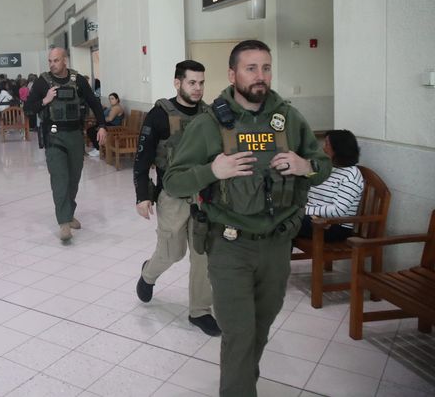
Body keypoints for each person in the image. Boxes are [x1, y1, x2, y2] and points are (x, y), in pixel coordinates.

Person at [165, 40, 331, 397]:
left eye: (266, 67)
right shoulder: (210, 124)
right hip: (229, 247)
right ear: (232, 74)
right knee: (240, 333)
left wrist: (306, 166)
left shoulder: (287, 118)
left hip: (276, 246)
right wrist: (212, 169)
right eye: (251, 68)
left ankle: (242, 381)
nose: (261, 76)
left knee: (260, 325)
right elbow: (173, 181)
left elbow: (323, 165)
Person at [132, 60, 220, 336]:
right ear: (177, 82)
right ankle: (148, 274)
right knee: (173, 252)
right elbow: (142, 158)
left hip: (205, 194)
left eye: (202, 82)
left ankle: (200, 311)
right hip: (172, 194)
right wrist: (142, 196)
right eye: (192, 82)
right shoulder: (159, 115)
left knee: (202, 255)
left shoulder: (210, 115)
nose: (198, 88)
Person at [24, 47, 107, 241]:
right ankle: (63, 223)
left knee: (74, 178)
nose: (52, 64)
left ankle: (69, 214)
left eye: (56, 60)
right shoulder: (42, 81)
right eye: (50, 61)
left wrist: (102, 125)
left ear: (65, 61)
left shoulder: (77, 80)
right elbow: (28, 108)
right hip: (54, 137)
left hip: (75, 136)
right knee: (60, 179)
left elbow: (94, 102)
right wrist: (45, 100)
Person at [296, 129, 364, 242]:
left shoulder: (351, 175)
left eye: (327, 144)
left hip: (335, 227)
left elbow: (338, 210)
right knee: (282, 219)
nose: (323, 148)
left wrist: (305, 211)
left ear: (338, 149)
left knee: (286, 222)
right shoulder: (328, 168)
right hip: (314, 220)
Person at [86, 92, 124, 157]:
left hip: (112, 127)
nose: (111, 100)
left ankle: (99, 149)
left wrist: (101, 120)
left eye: (112, 99)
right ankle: (97, 147)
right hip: (108, 125)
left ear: (117, 99)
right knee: (90, 130)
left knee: (92, 131)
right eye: (110, 99)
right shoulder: (112, 107)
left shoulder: (117, 108)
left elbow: (110, 119)